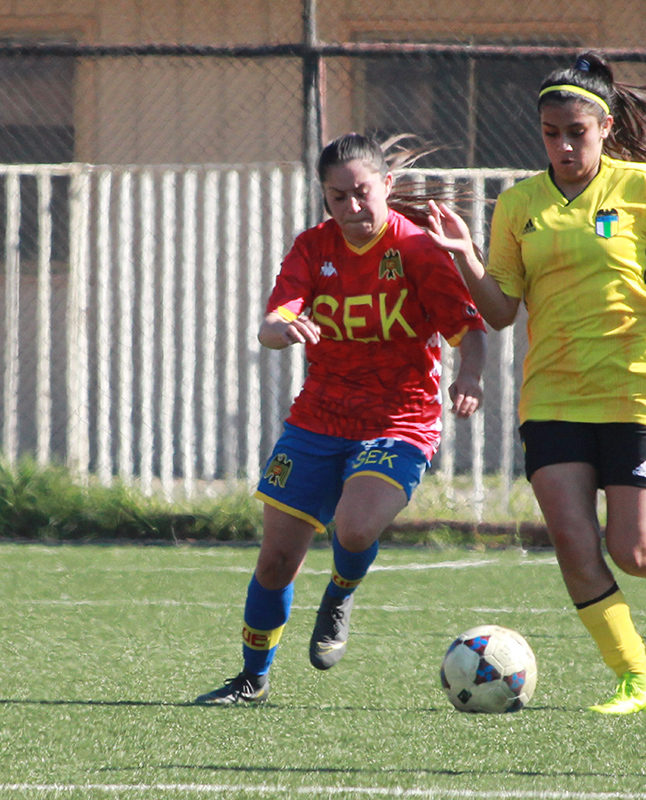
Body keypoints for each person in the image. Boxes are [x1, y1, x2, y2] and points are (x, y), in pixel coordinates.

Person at [425, 51, 646, 715]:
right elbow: (503, 311)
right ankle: (637, 681)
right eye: (550, 133)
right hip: (553, 395)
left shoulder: (642, 188)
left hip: (636, 386)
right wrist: (465, 259)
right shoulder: (519, 204)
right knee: (572, 540)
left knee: (635, 548)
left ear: (603, 126)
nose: (564, 145)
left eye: (576, 131)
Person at [194, 133, 487, 704]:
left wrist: (470, 375)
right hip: (319, 417)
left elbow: (467, 327)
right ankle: (252, 678)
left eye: (362, 194)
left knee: (353, 527)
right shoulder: (312, 248)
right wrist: (284, 330)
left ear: (387, 187)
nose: (352, 209)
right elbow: (272, 324)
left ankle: (342, 588)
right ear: (324, 199)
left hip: (399, 419)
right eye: (338, 198)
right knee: (277, 561)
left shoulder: (419, 251)